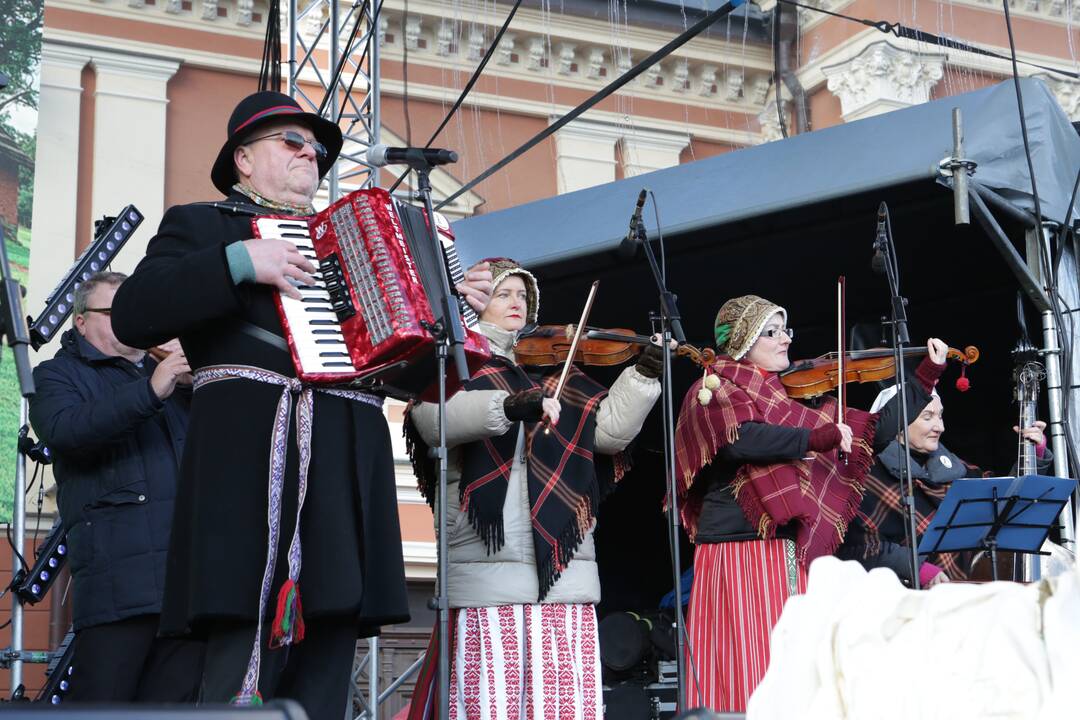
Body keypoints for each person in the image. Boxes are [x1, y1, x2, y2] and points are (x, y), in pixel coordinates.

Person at [109, 91, 493, 717]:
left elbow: (407, 376)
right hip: (252, 464)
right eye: (293, 142)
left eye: (318, 149)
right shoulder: (203, 224)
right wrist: (240, 260)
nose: (311, 155)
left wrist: (454, 317)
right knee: (241, 642)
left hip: (344, 463)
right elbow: (134, 313)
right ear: (243, 158)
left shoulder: (355, 242)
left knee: (331, 637)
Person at [403, 258, 664, 719]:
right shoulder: (455, 364)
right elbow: (432, 418)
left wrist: (643, 377)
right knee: (492, 707)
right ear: (477, 303)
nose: (516, 303)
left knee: (564, 708)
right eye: (504, 293)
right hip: (488, 572)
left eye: (523, 295)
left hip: (564, 574)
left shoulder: (555, 373)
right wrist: (509, 405)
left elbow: (607, 433)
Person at [672, 294, 877, 713]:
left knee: (793, 663)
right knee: (747, 662)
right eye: (772, 331)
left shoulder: (783, 399)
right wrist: (815, 438)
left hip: (782, 545)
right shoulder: (710, 389)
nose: (785, 339)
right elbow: (739, 439)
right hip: (736, 547)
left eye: (786, 329)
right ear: (744, 339)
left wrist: (925, 377)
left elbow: (872, 428)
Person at [29, 271, 202, 702]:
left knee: (173, 710)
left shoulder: (172, 381)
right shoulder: (56, 375)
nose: (131, 322)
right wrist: (150, 390)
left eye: (136, 313)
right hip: (118, 585)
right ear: (81, 321)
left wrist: (206, 383)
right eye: (115, 312)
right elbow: (67, 432)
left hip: (187, 584)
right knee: (104, 705)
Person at [836, 338, 1053, 586]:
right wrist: (916, 568)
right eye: (927, 417)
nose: (940, 427)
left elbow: (1007, 501)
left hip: (971, 589)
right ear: (898, 423)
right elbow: (856, 550)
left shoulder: (952, 467)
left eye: (940, 416)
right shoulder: (868, 476)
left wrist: (1034, 454)